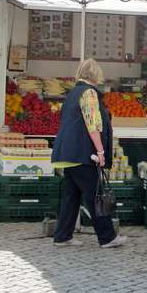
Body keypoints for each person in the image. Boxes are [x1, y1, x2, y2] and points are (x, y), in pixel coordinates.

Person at [52, 59, 127, 248]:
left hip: (66, 153)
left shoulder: (71, 94)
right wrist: (100, 151)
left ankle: (62, 235)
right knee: (96, 195)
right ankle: (108, 237)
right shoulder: (89, 93)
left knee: (72, 195)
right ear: (96, 76)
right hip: (82, 154)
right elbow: (93, 125)